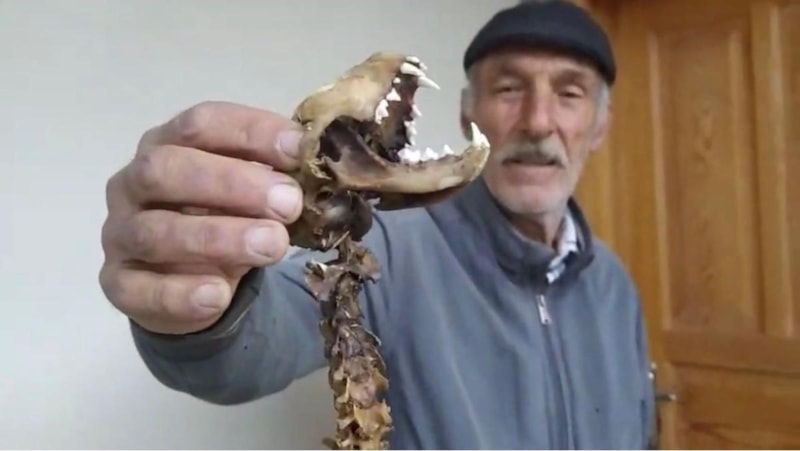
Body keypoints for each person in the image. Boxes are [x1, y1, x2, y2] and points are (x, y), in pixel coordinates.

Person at [99, 1, 656, 449]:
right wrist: (199, 305)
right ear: (468, 111)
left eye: (569, 94)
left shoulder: (615, 285)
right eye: (509, 89)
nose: (537, 122)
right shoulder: (387, 246)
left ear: (600, 125)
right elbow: (252, 347)